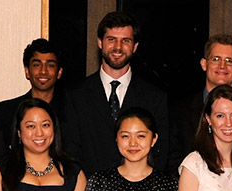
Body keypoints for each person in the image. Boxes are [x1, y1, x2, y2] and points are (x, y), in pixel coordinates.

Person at [60, 11, 174, 173]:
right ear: (100, 42)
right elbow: (70, 152)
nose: (118, 47)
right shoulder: (75, 95)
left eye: (125, 41)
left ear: (135, 47)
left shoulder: (155, 97)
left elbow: (161, 151)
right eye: (111, 40)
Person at [171, 34, 232, 158]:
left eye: (229, 61)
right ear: (204, 64)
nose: (222, 66)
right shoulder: (180, 111)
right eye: (216, 59)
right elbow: (172, 160)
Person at [0, 39, 65, 138]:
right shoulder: (3, 112)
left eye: (50, 65)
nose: (43, 71)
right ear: (27, 71)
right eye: (37, 65)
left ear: (59, 72)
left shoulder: (73, 112)